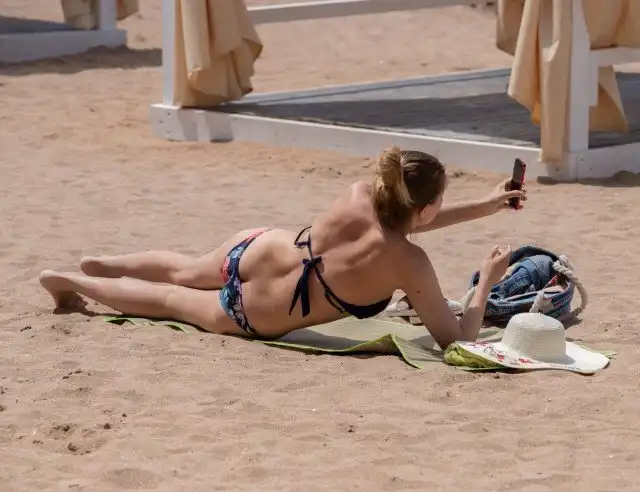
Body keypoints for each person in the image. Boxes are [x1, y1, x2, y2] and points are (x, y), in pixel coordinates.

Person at [40, 147, 526, 350]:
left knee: (185, 270)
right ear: (423, 209)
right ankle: (73, 283)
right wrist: (486, 280)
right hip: (261, 309)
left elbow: (401, 221)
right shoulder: (409, 262)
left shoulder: (361, 194)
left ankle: (102, 264)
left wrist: (486, 206)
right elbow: (457, 341)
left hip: (261, 248)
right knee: (169, 300)